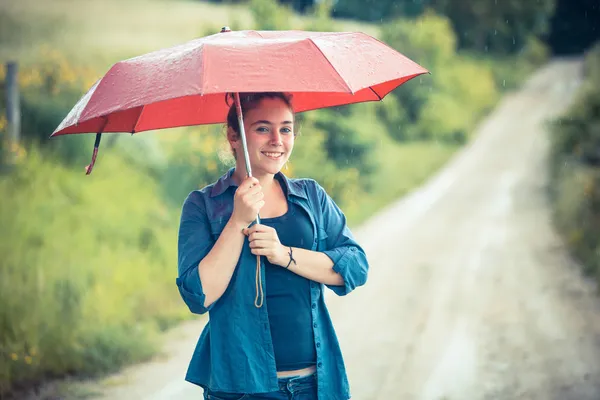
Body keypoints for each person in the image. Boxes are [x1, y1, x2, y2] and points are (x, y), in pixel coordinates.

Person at [176, 92, 369, 400]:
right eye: (263, 128)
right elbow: (199, 296)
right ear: (233, 135)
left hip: (316, 384)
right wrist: (238, 221)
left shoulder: (311, 197)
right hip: (242, 390)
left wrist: (285, 255)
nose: (277, 140)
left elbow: (355, 267)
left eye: (286, 128)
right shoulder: (203, 205)